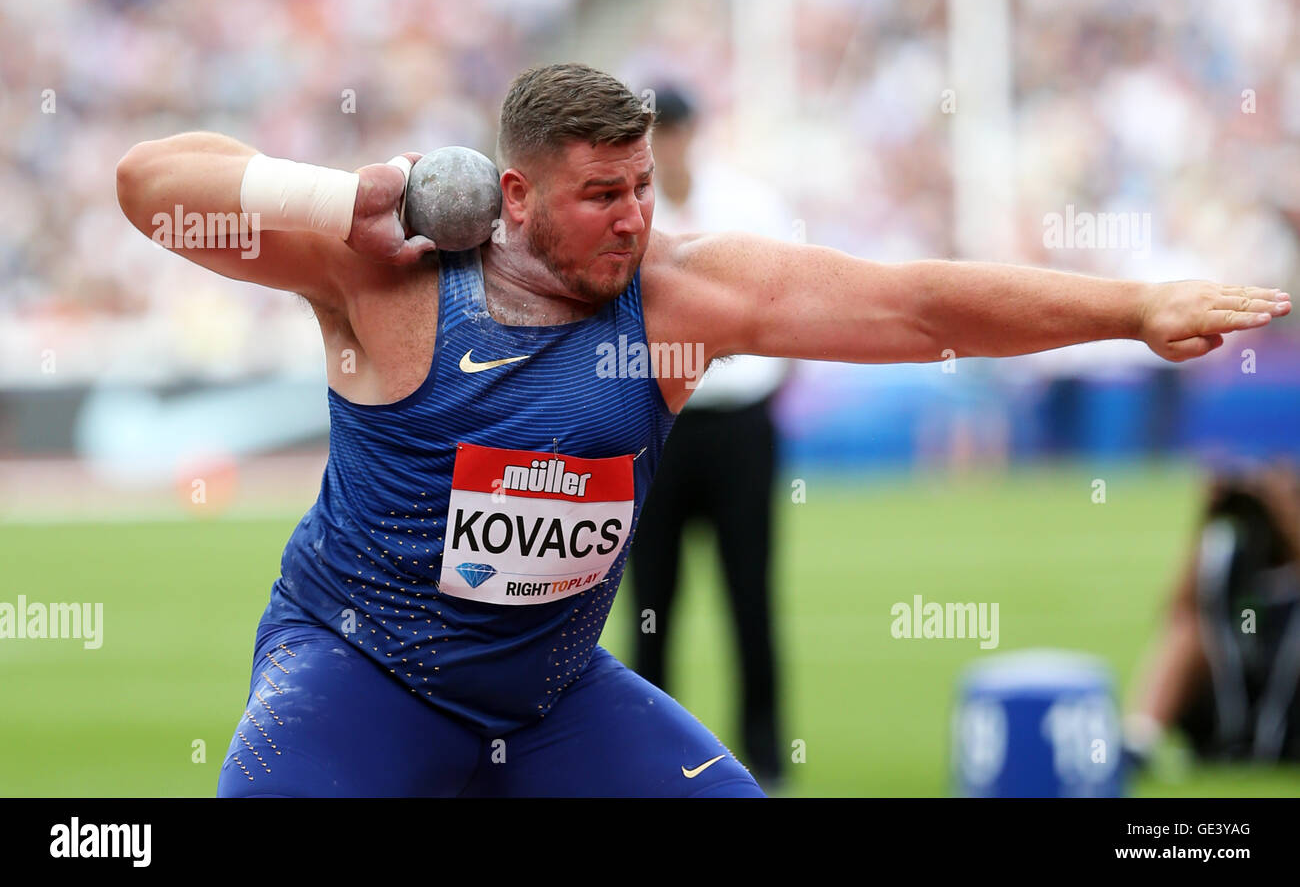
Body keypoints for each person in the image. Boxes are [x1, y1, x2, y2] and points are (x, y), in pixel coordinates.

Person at [114, 62, 1290, 797]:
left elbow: (913, 302)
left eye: (643, 187)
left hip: (552, 695)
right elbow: (150, 180)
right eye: (599, 195)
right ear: (511, 195)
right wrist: (342, 194)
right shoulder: (383, 276)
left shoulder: (681, 297)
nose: (632, 219)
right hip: (356, 670)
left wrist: (1131, 308)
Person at [628, 84, 790, 790]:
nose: (663, 149)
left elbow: (790, 302)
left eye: (670, 134)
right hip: (656, 423)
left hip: (735, 424)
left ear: (692, 135)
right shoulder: (624, 213)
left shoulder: (748, 207)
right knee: (650, 601)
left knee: (749, 594)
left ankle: (766, 753)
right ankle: (642, 754)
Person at [1125, 462, 1300, 766]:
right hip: (1233, 693)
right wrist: (1207, 520)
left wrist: (1283, 509)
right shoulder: (1228, 556)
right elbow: (1175, 613)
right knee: (1186, 633)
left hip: (1290, 704)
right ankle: (1137, 741)